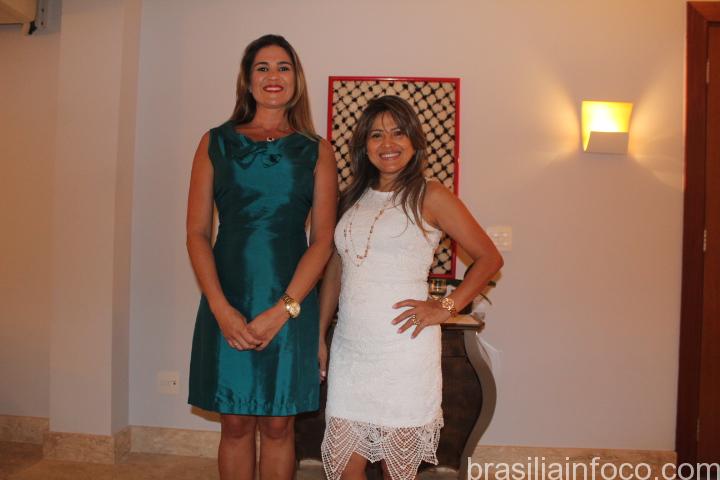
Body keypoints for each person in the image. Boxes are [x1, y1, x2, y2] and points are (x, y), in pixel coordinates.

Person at [319, 95, 503, 480]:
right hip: (351, 352)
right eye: (376, 135)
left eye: (398, 132)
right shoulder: (351, 198)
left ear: (414, 140)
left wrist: (446, 306)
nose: (388, 143)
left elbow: (489, 258)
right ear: (364, 145)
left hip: (404, 352)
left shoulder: (430, 194)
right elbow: (336, 269)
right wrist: (320, 334)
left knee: (397, 473)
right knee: (341, 468)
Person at [186, 34, 337, 480]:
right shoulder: (214, 142)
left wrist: (283, 310)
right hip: (227, 296)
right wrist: (220, 308)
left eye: (284, 67)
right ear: (247, 80)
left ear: (296, 79)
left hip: (290, 300)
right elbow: (196, 233)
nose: (274, 76)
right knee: (234, 421)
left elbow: (323, 240)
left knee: (277, 424)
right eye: (263, 67)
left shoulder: (316, 149)